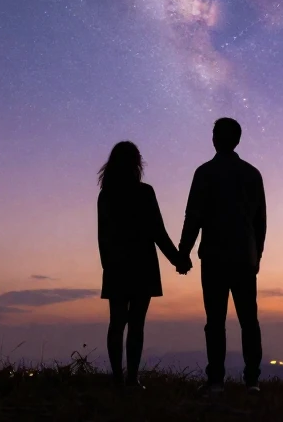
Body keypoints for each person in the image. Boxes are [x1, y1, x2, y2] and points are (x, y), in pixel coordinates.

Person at [178, 117, 267, 392]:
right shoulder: (252, 174)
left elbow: (193, 216)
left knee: (215, 321)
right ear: (237, 140)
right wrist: (257, 256)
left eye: (215, 132)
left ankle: (216, 380)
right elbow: (260, 222)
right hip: (243, 257)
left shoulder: (205, 173)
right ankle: (251, 381)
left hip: (215, 257)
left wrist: (184, 252)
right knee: (248, 321)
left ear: (217, 139)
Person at [97, 141, 190, 388]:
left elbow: (103, 236)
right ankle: (131, 379)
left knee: (117, 322)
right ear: (137, 163)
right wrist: (178, 259)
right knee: (136, 323)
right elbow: (158, 232)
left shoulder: (107, 195)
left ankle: (119, 378)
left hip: (116, 266)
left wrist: (108, 265)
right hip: (142, 265)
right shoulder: (144, 192)